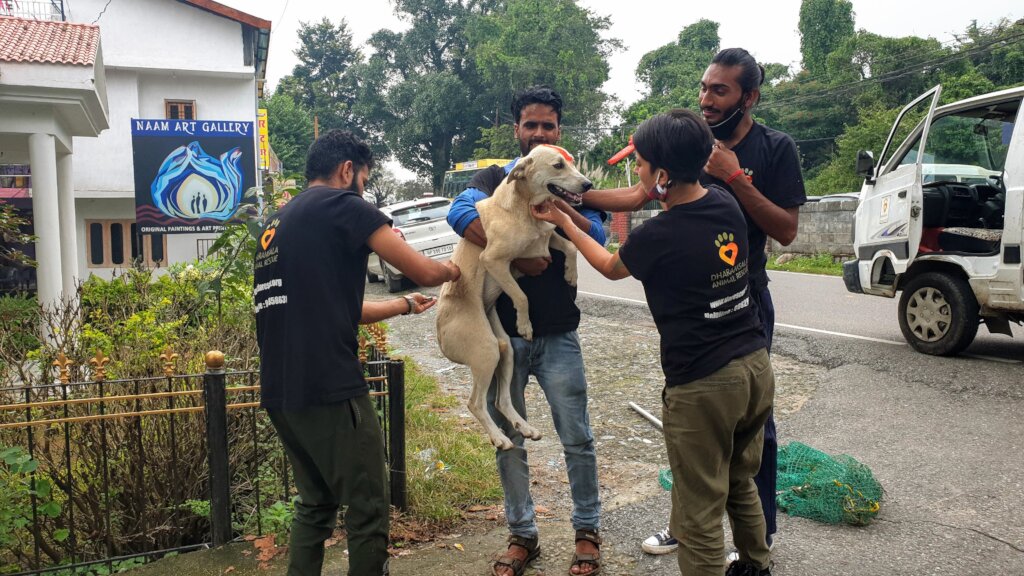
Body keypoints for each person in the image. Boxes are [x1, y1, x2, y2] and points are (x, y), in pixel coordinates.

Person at [584, 47, 806, 560]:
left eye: (719, 91)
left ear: (748, 97)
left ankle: (730, 538)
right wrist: (576, 197)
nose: (706, 99)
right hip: (741, 347)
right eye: (703, 89)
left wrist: (732, 174)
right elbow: (642, 196)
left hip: (730, 328)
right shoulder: (700, 166)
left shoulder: (768, 153)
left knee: (729, 462)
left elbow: (787, 231)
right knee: (720, 463)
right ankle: (740, 552)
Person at [533, 108, 774, 576]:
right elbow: (643, 198)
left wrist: (562, 221)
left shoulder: (659, 235)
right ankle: (756, 566)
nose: (637, 172)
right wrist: (568, 206)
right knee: (739, 479)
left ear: (662, 174)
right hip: (754, 366)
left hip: (703, 385)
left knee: (700, 508)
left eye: (641, 163)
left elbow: (608, 265)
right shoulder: (725, 201)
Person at [254, 129, 460, 576]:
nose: (363, 188)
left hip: (281, 392)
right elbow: (421, 268)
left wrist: (404, 305)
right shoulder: (343, 206)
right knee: (368, 505)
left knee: (315, 503)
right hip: (330, 386)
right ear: (348, 170)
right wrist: (454, 267)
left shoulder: (278, 223)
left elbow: (337, 309)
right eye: (364, 178)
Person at [447, 85, 606, 576]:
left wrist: (561, 212)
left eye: (549, 125)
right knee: (511, 441)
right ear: (517, 130)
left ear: (559, 131)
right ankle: (522, 536)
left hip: (558, 332)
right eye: (531, 125)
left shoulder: (567, 177)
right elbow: (459, 212)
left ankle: (587, 530)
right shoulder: (496, 176)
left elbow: (598, 233)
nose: (540, 132)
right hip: (507, 334)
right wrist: (518, 252)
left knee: (576, 436)